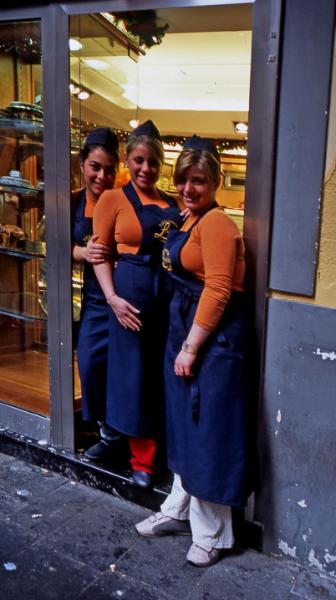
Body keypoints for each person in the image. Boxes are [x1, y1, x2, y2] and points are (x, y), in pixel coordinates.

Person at [135, 136, 249, 567]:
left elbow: (218, 290)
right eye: (183, 180)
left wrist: (189, 347)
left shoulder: (217, 223)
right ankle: (178, 510)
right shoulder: (190, 219)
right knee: (184, 427)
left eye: (198, 181)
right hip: (187, 333)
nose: (188, 188)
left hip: (212, 341)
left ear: (216, 182)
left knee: (206, 433)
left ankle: (214, 534)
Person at [93, 120, 183, 488]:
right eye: (139, 160)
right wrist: (113, 299)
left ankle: (164, 454)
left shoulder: (174, 206)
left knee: (162, 378)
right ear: (128, 160)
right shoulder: (113, 199)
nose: (146, 168)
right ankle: (140, 461)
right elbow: (100, 256)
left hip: (168, 302)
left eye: (154, 162)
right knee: (133, 379)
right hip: (128, 305)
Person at [72, 127, 123, 461]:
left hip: (125, 296)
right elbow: (57, 245)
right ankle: (105, 429)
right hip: (93, 298)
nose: (101, 176)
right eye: (95, 166)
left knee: (123, 370)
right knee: (90, 363)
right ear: (82, 165)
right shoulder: (73, 201)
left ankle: (119, 436)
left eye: (108, 168)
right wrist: (81, 253)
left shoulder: (125, 203)